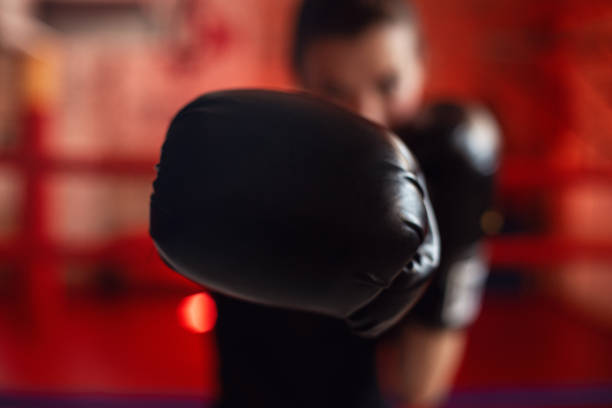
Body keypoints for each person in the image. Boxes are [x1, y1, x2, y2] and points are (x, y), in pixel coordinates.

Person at [209, 1, 501, 407]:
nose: (367, 116)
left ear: (423, 64)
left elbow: (418, 387)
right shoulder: (262, 176)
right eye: (334, 89)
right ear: (301, 80)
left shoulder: (434, 172)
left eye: (387, 84)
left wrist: (456, 241)